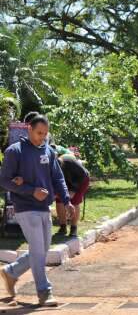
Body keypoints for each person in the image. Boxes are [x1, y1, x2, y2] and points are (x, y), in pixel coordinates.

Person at [0, 115, 73, 306]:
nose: (42, 137)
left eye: (45, 134)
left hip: (44, 207)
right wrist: (30, 191)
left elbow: (58, 178)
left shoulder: (48, 151)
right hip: (25, 208)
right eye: (39, 133)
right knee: (39, 251)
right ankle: (44, 292)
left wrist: (66, 200)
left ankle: (12, 271)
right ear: (29, 129)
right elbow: (5, 181)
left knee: (42, 249)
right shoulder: (14, 151)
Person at [53, 151, 90, 237]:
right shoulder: (52, 167)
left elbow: (82, 176)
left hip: (81, 180)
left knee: (74, 201)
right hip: (67, 181)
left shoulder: (67, 162)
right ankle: (63, 227)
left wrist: (73, 190)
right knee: (59, 200)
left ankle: (74, 228)